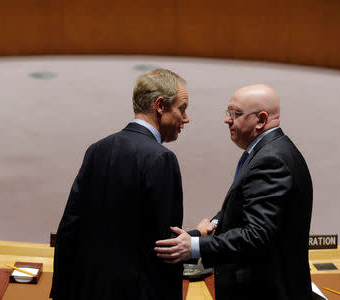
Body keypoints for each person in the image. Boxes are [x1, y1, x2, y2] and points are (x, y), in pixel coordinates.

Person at [155, 84, 313, 300]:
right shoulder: (269, 151)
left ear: (261, 120)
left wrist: (194, 246)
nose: (227, 120)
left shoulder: (271, 160)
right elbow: (248, 208)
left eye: (236, 113)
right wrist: (213, 225)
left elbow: (257, 235)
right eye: (228, 112)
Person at [51, 69, 192, 300]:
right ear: (160, 105)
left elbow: (70, 226)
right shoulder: (161, 159)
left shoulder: (97, 150)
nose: (186, 119)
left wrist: (61, 291)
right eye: (182, 109)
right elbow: (165, 246)